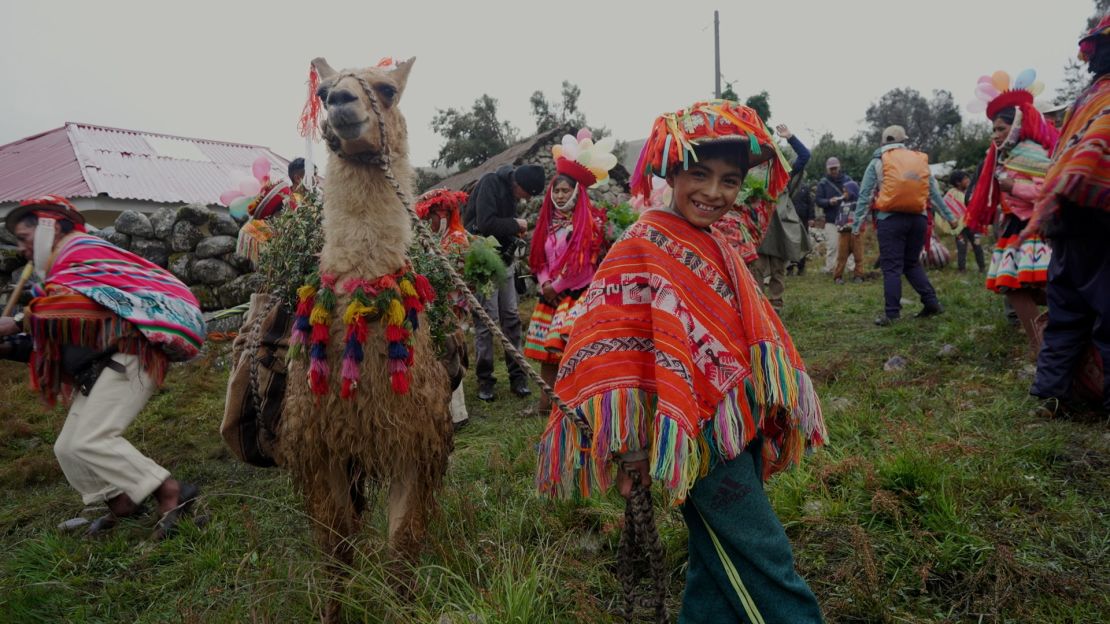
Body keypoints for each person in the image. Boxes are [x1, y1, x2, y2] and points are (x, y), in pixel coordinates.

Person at [538, 100, 827, 623]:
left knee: (715, 566)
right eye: (700, 175)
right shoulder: (640, 245)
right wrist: (629, 446)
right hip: (694, 433)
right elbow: (608, 347)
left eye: (730, 180)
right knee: (765, 562)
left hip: (733, 424)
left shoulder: (715, 239)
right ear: (671, 171)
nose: (714, 193)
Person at [2, 195, 206, 539]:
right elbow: (56, 336)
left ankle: (171, 492)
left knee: (91, 440)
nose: (22, 249)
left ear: (47, 228)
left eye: (24, 239)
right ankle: (121, 500)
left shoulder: (81, 251)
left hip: (130, 356)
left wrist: (19, 321)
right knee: (67, 448)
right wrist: (9, 345)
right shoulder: (58, 274)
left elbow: (75, 308)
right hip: (99, 368)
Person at [1025, 15, 1110, 416]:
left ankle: (1050, 395)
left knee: (1066, 316)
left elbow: (1067, 163)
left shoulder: (1086, 99)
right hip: (1099, 221)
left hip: (1064, 222)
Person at [965, 69, 1060, 353]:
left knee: (1039, 286)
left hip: (1037, 229)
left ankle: (1056, 343)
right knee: (1015, 287)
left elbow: (1049, 191)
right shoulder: (1005, 155)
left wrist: (1013, 187)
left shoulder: (1032, 152)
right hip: (1015, 229)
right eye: (993, 129)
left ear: (1016, 125)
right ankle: (1042, 345)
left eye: (1001, 128)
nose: (995, 135)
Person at [524, 135, 610, 413]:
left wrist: (556, 287)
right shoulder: (548, 225)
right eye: (556, 191)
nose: (560, 195)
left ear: (576, 193)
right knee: (548, 356)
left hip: (576, 296)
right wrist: (545, 283)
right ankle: (545, 405)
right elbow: (539, 260)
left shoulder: (589, 224)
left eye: (565, 191)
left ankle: (578, 401)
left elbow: (582, 265)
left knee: (572, 350)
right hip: (550, 296)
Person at [851, 126, 958, 326]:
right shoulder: (919, 160)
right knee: (911, 263)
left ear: (883, 141)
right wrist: (949, 216)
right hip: (918, 219)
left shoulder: (878, 160)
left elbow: (865, 195)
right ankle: (932, 303)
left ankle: (892, 315)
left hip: (890, 220)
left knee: (891, 267)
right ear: (904, 141)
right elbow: (933, 193)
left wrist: (857, 225)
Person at [462, 163, 546, 401]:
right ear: (518, 184)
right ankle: (485, 380)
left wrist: (512, 233)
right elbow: (487, 223)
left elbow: (500, 227)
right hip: (484, 263)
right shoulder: (490, 182)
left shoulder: (512, 193)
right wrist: (515, 224)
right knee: (487, 321)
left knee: (511, 318)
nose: (527, 199)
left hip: (505, 262)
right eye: (528, 194)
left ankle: (518, 377)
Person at [415, 188, 474, 429]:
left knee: (451, 354)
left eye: (432, 217)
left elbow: (453, 277)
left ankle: (457, 413)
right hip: (436, 307)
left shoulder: (457, 240)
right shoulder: (435, 239)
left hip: (452, 308)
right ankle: (442, 408)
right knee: (441, 355)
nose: (429, 222)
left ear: (445, 214)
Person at [750, 124, 812, 312]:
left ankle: (776, 303)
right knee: (756, 267)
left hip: (780, 227)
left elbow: (805, 156)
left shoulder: (783, 173)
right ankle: (759, 305)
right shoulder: (749, 171)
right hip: (758, 226)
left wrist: (790, 137)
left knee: (778, 268)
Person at [815, 157, 855, 273]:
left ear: (839, 167)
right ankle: (831, 268)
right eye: (831, 169)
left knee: (849, 245)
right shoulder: (823, 183)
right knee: (832, 246)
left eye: (835, 168)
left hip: (847, 219)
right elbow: (818, 200)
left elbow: (856, 194)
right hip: (831, 219)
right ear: (827, 169)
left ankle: (850, 268)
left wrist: (848, 196)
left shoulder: (848, 180)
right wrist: (828, 202)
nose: (833, 171)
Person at [943, 171, 986, 273]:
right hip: (959, 228)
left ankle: (982, 267)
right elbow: (946, 208)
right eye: (965, 179)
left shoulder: (971, 192)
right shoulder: (951, 194)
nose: (968, 180)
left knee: (977, 245)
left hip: (973, 225)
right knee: (961, 247)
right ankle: (961, 269)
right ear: (958, 183)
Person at [832, 181, 864, 284]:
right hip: (844, 234)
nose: (844, 194)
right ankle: (838, 277)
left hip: (855, 233)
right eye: (843, 192)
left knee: (858, 256)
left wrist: (856, 226)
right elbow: (839, 217)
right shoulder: (842, 204)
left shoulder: (858, 203)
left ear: (852, 191)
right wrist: (838, 225)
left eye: (846, 192)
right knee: (842, 256)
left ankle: (858, 276)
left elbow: (860, 217)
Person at [789, 181, 816, 276]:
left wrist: (811, 217)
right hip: (790, 220)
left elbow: (811, 203)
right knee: (790, 243)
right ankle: (789, 268)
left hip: (803, 220)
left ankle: (801, 267)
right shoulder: (788, 186)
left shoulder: (805, 187)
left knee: (802, 243)